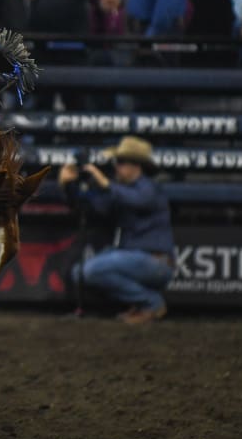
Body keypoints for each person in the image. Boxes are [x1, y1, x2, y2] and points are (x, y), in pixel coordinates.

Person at [60, 135, 174, 325]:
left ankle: (150, 302)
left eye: (120, 162)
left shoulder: (151, 187)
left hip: (155, 261)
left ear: (135, 165)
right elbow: (91, 205)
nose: (116, 166)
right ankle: (143, 301)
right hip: (131, 257)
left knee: (91, 270)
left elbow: (137, 199)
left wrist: (104, 182)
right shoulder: (118, 190)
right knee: (79, 273)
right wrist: (69, 185)